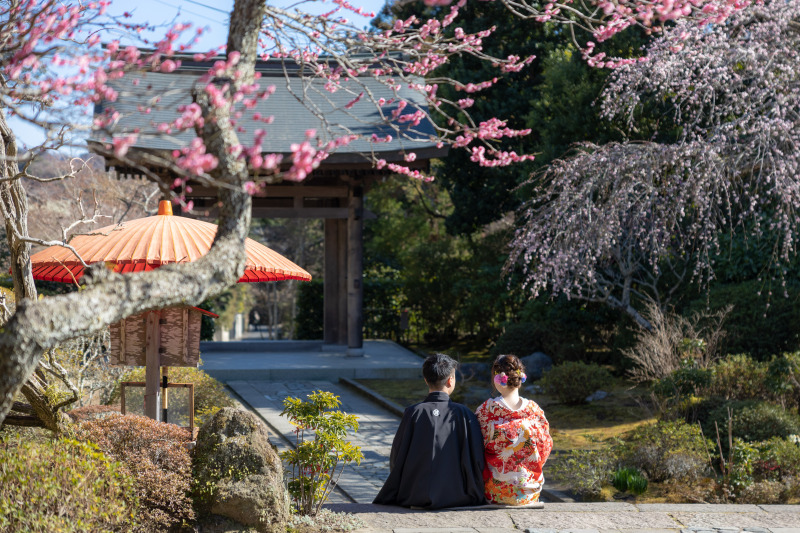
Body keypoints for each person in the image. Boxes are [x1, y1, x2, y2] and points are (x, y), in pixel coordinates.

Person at [373, 353, 487, 509]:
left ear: (426, 380)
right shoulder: (464, 414)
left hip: (413, 494)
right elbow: (477, 458)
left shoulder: (413, 412)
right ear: (450, 380)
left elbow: (397, 455)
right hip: (458, 494)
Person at [475, 354, 553, 506]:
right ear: (520, 378)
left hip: (497, 491)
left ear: (497, 379)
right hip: (529, 491)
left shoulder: (487, 411)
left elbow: (476, 449)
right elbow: (546, 446)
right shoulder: (535, 410)